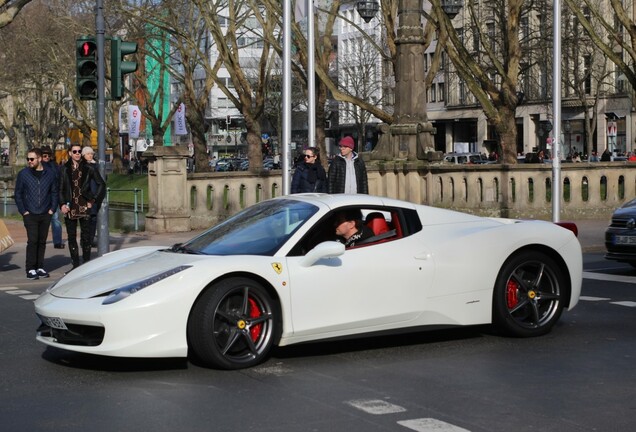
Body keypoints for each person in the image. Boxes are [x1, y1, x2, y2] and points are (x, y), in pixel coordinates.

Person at [59, 144, 106, 272]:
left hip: (84, 205)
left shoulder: (89, 168)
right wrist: (62, 204)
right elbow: (60, 189)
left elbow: (101, 184)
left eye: (79, 151)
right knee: (71, 237)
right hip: (70, 207)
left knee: (86, 237)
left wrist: (93, 199)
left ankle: (86, 264)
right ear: (70, 153)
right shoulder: (64, 169)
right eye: (74, 151)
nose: (77, 153)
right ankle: (75, 265)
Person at [14, 147, 59, 280]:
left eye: (32, 159)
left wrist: (52, 209)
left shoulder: (50, 173)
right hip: (30, 213)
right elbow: (18, 194)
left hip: (45, 212)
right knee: (33, 241)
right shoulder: (23, 174)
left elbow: (54, 192)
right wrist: (24, 211)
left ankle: (40, 266)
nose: (29, 161)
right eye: (28, 159)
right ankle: (30, 269)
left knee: (42, 241)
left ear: (39, 159)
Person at [40, 145, 64, 249]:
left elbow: (59, 180)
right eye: (44, 155)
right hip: (42, 198)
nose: (46, 157)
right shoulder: (38, 166)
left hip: (53, 197)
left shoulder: (55, 166)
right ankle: (40, 242)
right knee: (41, 222)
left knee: (55, 220)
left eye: (48, 155)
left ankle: (57, 241)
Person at [81, 146, 106, 247]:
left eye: (91, 154)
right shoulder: (82, 166)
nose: (90, 155)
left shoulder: (97, 166)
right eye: (88, 154)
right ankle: (85, 241)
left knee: (93, 218)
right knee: (86, 219)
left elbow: (102, 180)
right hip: (86, 196)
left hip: (95, 196)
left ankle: (90, 240)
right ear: (83, 155)